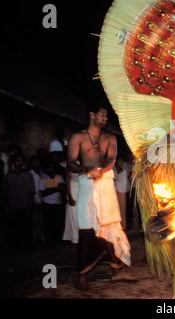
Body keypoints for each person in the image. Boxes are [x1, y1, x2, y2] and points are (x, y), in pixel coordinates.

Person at [67, 105, 136, 290]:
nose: (105, 118)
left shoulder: (110, 137)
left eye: (106, 115)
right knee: (87, 228)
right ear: (91, 115)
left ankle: (117, 271)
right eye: (102, 115)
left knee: (111, 225)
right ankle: (82, 276)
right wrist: (87, 170)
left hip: (105, 183)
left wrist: (102, 171)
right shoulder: (78, 137)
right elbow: (71, 163)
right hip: (86, 184)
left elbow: (111, 159)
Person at [3, 153, 35, 252]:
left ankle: (27, 247)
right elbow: (6, 192)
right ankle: (15, 247)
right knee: (14, 228)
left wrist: (30, 204)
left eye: (20, 161)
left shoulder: (27, 174)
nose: (19, 163)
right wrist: (7, 206)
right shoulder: (9, 176)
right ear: (13, 162)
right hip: (13, 205)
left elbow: (31, 190)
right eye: (17, 161)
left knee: (26, 227)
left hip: (25, 205)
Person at [41, 160, 66, 247]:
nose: (51, 169)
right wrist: (57, 188)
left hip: (57, 203)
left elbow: (63, 187)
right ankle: (49, 241)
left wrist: (51, 189)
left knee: (57, 223)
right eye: (49, 168)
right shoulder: (43, 178)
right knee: (48, 224)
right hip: (47, 203)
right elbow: (43, 193)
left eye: (52, 167)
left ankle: (57, 240)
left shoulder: (58, 176)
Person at [113, 156, 129, 230]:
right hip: (119, 190)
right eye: (119, 161)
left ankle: (124, 225)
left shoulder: (123, 168)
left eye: (121, 161)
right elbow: (114, 178)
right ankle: (122, 225)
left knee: (123, 208)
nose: (120, 162)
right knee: (120, 208)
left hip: (123, 189)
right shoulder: (115, 169)